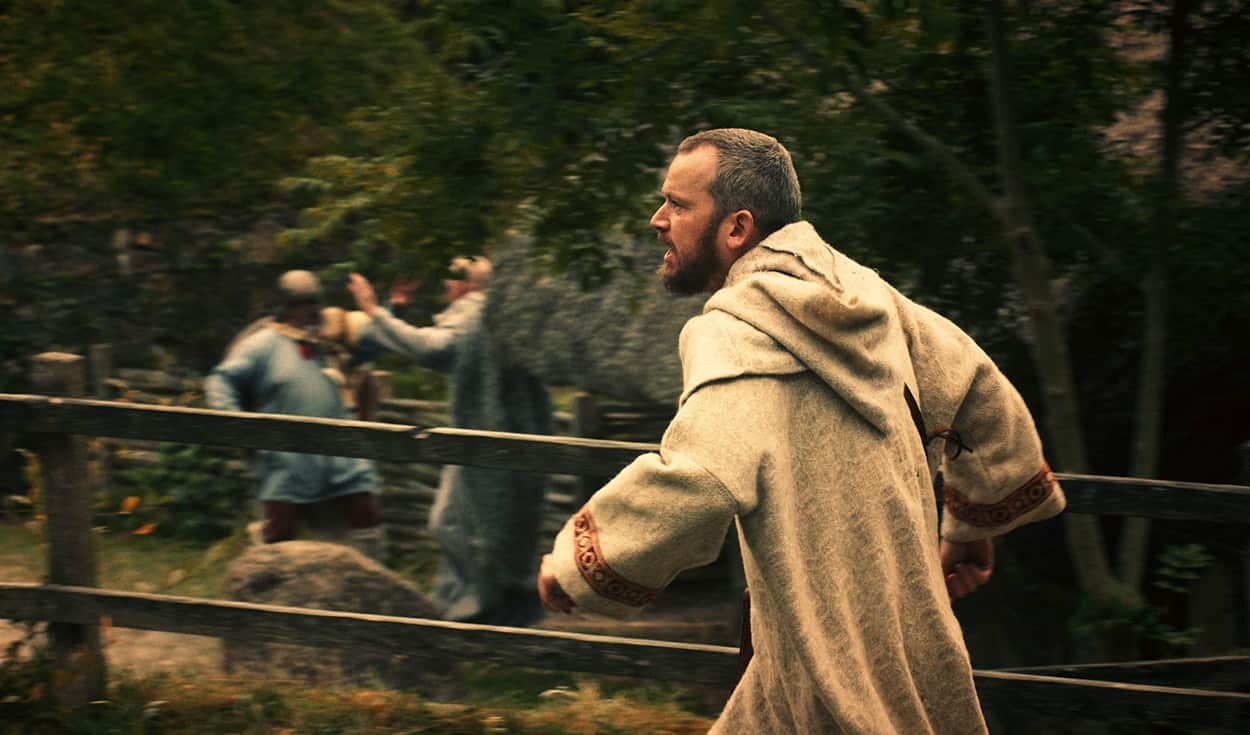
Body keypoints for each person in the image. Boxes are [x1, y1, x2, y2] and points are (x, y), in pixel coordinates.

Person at [537, 129, 1067, 733]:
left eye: (678, 205)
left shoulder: (735, 332)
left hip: (823, 660)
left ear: (737, 228)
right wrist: (973, 528)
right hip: (897, 631)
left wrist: (579, 566)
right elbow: (978, 387)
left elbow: (699, 478)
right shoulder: (867, 295)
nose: (658, 220)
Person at [347, 256, 552, 627]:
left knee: (471, 530)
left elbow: (433, 348)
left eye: (449, 282)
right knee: (486, 528)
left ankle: (475, 614)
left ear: (463, 286)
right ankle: (485, 610)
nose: (444, 289)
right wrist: (395, 309)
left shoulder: (474, 315)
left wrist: (374, 311)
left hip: (485, 446)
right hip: (514, 442)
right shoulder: (507, 317)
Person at [205, 270, 384, 559]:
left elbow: (374, 344)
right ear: (285, 307)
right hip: (288, 460)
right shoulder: (263, 344)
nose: (311, 310)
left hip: (342, 455)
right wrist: (237, 423)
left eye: (314, 302)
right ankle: (263, 582)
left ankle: (365, 583)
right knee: (277, 533)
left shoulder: (332, 336)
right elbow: (221, 380)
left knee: (366, 517)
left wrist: (395, 306)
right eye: (302, 304)